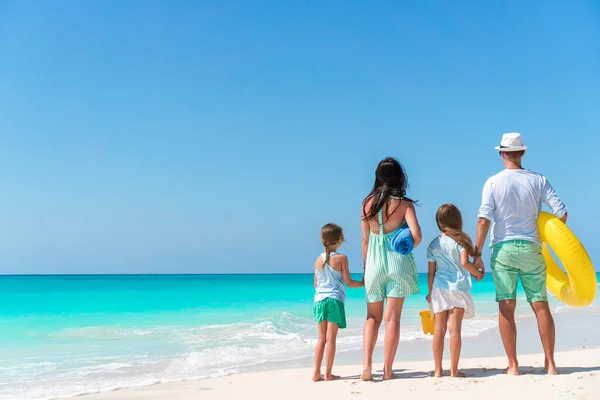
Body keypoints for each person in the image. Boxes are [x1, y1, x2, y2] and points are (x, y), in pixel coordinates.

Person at [474, 133, 567, 376]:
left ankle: (513, 365)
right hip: (531, 247)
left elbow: (484, 220)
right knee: (540, 305)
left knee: (506, 307)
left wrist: (477, 253)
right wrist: (547, 237)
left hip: (502, 249)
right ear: (522, 153)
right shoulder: (539, 180)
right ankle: (551, 364)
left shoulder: (492, 182)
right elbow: (561, 213)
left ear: (502, 154)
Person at [361, 157, 422, 380]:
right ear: (399, 176)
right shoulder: (404, 204)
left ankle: (366, 366)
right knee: (392, 319)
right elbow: (417, 237)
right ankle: (387, 371)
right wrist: (402, 242)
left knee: (371, 318)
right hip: (397, 262)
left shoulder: (367, 203)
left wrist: (366, 268)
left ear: (378, 177)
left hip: (374, 264)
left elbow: (365, 241)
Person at [426, 204, 484, 378]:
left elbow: (431, 272)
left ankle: (437, 370)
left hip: (439, 289)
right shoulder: (461, 240)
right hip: (458, 288)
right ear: (457, 220)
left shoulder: (434, 244)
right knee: (455, 331)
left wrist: (430, 293)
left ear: (439, 221)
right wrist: (478, 274)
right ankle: (453, 370)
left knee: (438, 330)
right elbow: (465, 263)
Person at [313, 223, 364, 382]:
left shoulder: (318, 260)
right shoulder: (341, 258)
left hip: (319, 301)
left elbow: (316, 284)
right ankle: (328, 374)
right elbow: (349, 283)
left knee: (321, 338)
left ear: (322, 239)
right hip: (334, 300)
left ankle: (316, 373)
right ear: (340, 239)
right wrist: (364, 283)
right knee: (331, 339)